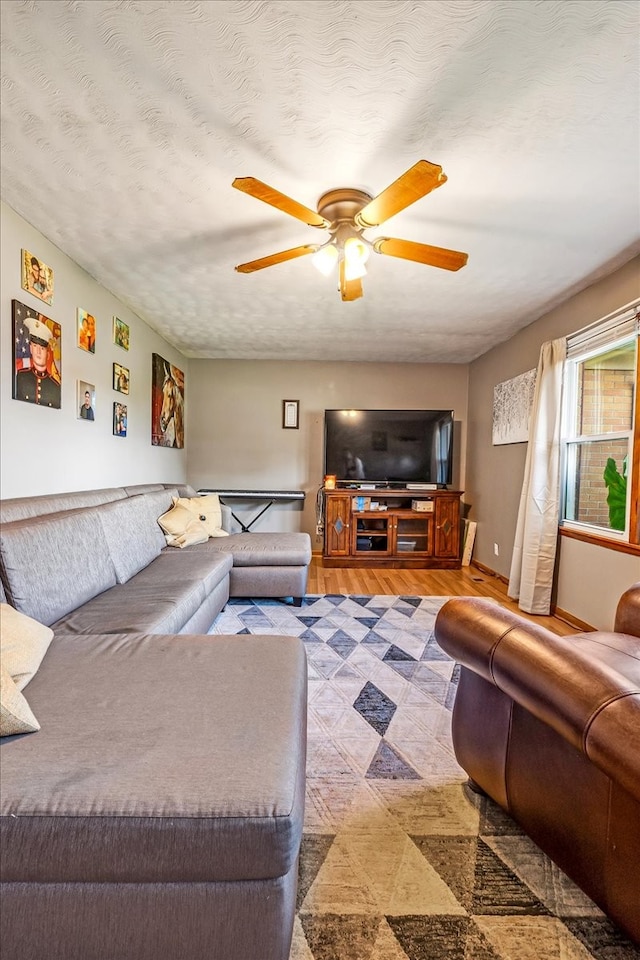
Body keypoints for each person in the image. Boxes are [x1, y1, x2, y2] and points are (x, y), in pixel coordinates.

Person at [15, 316, 61, 408]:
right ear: (31, 348)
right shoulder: (21, 376)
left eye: (42, 348)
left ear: (48, 354)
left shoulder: (55, 385)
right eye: (35, 346)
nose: (38, 352)